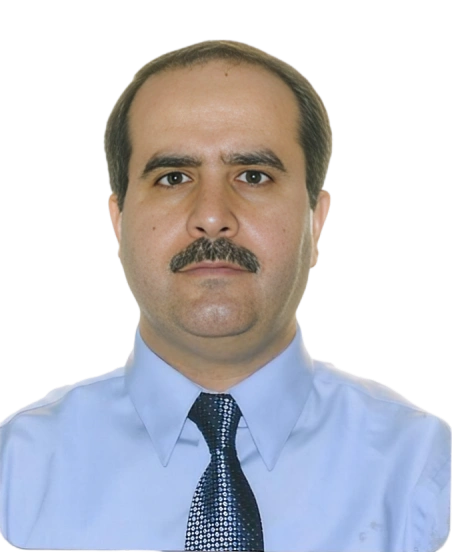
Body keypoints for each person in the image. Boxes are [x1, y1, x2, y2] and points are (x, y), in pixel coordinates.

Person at [0, 39, 451, 552]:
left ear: (317, 220)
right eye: (173, 177)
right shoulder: (16, 469)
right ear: (118, 221)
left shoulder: (422, 468)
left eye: (253, 176)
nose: (212, 216)